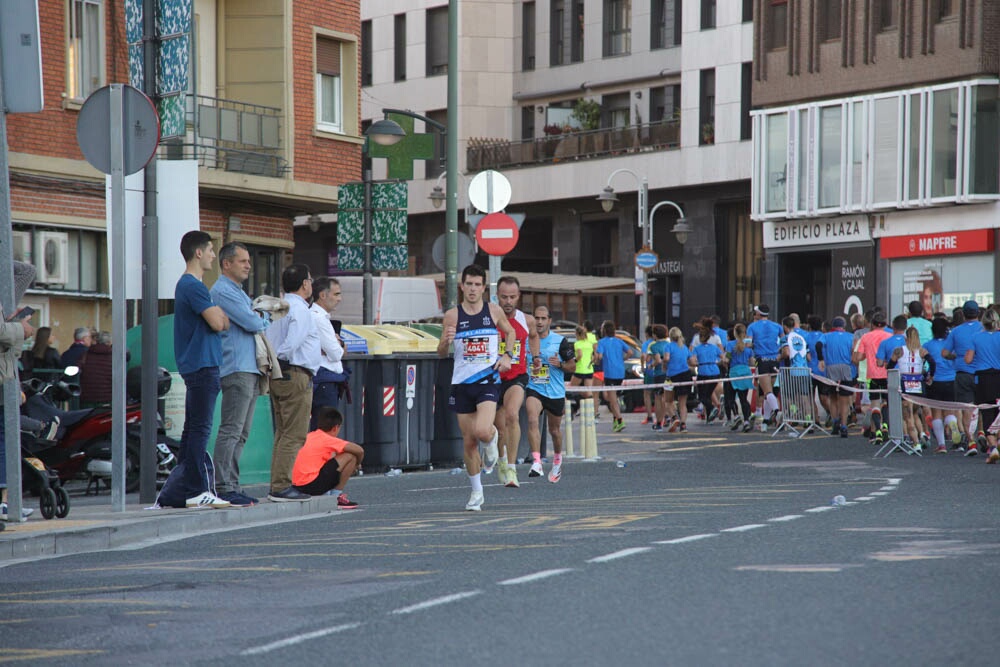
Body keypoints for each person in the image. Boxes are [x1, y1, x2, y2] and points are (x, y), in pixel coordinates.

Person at [437, 264, 514, 511]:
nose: (472, 289)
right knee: (469, 441)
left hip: (488, 380)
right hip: (462, 383)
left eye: (477, 284)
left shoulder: (493, 311)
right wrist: (445, 343)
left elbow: (510, 332)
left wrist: (507, 355)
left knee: (482, 430)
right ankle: (477, 493)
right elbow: (440, 353)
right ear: (462, 286)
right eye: (468, 284)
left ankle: (491, 441)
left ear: (483, 287)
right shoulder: (452, 315)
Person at [172, 231, 231, 509]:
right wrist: (218, 315)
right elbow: (219, 323)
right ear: (198, 253)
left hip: (198, 365)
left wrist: (218, 315)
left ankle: (179, 489)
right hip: (203, 365)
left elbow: (219, 319)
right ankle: (195, 489)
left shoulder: (191, 286)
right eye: (209, 250)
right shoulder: (193, 286)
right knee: (200, 429)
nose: (212, 256)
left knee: (192, 429)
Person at [209, 241, 269, 507]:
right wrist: (260, 316)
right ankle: (223, 485)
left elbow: (256, 318)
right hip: (236, 368)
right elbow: (255, 322)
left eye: (248, 261)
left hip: (249, 368)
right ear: (226, 264)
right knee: (231, 430)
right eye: (242, 261)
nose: (248, 265)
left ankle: (232, 484)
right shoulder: (223, 291)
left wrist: (258, 316)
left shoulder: (238, 292)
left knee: (241, 433)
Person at [266, 264, 320, 502]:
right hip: (295, 372)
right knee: (294, 434)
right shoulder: (301, 310)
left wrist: (275, 360)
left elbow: (269, 337)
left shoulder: (278, 308)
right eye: (310, 280)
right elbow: (293, 341)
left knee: (282, 432)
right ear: (305, 284)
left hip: (277, 374)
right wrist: (283, 357)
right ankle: (281, 486)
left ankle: (278, 483)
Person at [492, 276, 539, 487]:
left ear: (518, 297)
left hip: (516, 377)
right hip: (492, 378)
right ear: (497, 297)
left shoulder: (526, 320)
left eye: (512, 297)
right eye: (504, 297)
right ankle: (501, 460)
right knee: (497, 430)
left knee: (512, 415)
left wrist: (536, 358)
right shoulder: (490, 318)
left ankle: (511, 469)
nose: (508, 301)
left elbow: (534, 335)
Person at [1, 261, 37, 526]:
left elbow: (26, 271)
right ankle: (5, 500)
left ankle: (7, 498)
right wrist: (19, 330)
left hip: (6, 373)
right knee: (4, 436)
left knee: (7, 434)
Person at [524, 306, 576, 484]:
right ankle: (537, 461)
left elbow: (573, 366)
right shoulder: (527, 340)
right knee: (532, 419)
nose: (539, 322)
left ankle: (557, 461)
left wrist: (560, 364)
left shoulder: (560, 341)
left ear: (549, 321)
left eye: (543, 318)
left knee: (554, 431)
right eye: (536, 318)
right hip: (535, 387)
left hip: (554, 392)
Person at [291, 406, 364, 506]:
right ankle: (336, 496)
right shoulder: (328, 439)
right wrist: (357, 464)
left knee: (331, 455)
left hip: (297, 486)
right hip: (311, 485)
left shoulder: (310, 436)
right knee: (351, 456)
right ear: (335, 428)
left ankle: (326, 492)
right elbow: (359, 450)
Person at [943, 300, 984, 449]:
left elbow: (945, 353)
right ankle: (982, 432)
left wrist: (955, 357)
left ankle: (970, 440)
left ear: (963, 314)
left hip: (963, 373)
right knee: (984, 406)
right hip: (983, 373)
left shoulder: (956, 331)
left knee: (967, 407)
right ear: (978, 313)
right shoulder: (984, 329)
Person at [889, 326, 936, 450]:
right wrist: (930, 376)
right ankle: (922, 434)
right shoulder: (922, 351)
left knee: (908, 416)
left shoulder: (899, 351)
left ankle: (916, 443)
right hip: (919, 383)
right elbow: (932, 362)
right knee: (916, 412)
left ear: (906, 337)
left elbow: (889, 365)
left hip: (905, 384)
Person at [309, 277, 346, 429]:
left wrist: (339, 344)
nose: (340, 299)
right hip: (324, 382)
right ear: (323, 295)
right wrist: (339, 345)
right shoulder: (318, 318)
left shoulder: (322, 317)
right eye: (336, 294)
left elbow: (337, 350)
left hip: (326, 381)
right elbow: (337, 354)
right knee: (325, 429)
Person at [964, 307, 1000, 462]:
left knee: (986, 413)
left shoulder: (976, 337)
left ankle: (992, 447)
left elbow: (968, 360)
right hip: (999, 375)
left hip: (983, 378)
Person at [853, 310, 892, 442]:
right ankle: (886, 424)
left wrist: (867, 355)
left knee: (874, 404)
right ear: (885, 324)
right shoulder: (889, 336)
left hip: (872, 375)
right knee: (886, 402)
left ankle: (878, 431)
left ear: (872, 324)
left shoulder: (866, 337)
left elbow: (857, 357)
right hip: (888, 374)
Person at [924, 317, 961, 452]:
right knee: (950, 410)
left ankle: (941, 445)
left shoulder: (927, 345)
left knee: (936, 413)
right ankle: (952, 424)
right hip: (951, 379)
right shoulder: (950, 344)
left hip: (935, 381)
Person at [816, 316, 857, 438]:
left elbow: (818, 345)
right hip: (846, 368)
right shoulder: (850, 336)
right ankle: (844, 426)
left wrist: (821, 359)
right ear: (843, 326)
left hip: (831, 368)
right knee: (844, 400)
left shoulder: (826, 336)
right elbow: (854, 351)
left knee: (833, 397)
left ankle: (835, 423)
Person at [594, 319, 632, 433]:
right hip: (620, 372)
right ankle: (616, 422)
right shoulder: (619, 341)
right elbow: (630, 352)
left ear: (604, 331)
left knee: (612, 399)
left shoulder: (602, 342)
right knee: (612, 397)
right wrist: (622, 359)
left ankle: (620, 420)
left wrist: (595, 359)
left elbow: (600, 357)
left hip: (609, 372)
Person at [747, 304, 783, 424]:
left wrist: (755, 344)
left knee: (767, 391)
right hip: (774, 360)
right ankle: (766, 421)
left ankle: (777, 412)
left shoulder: (752, 327)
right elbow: (783, 342)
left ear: (758, 313)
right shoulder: (777, 326)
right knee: (770, 391)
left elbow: (747, 344)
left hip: (761, 359)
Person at [690, 318, 723, 424]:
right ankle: (710, 416)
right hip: (715, 370)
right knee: (709, 394)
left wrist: (694, 363)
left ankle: (712, 408)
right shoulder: (716, 339)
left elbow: (692, 357)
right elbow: (723, 355)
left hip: (703, 371)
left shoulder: (697, 344)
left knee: (702, 396)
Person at [724, 322, 755, 432]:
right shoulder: (748, 347)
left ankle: (736, 416)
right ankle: (746, 421)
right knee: (743, 399)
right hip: (746, 372)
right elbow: (752, 362)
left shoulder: (730, 345)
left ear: (734, 333)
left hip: (734, 372)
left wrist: (723, 361)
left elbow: (727, 359)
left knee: (730, 398)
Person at [663, 326, 693, 432]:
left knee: (667, 400)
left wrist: (664, 362)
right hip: (685, 375)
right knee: (682, 402)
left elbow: (666, 358)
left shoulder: (668, 346)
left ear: (670, 336)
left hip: (671, 376)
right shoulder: (684, 347)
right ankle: (683, 425)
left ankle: (674, 417)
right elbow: (692, 361)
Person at [79, 331, 113, 406]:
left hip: (86, 399)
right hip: (107, 400)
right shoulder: (114, 357)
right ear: (109, 342)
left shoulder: (85, 355)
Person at [570, 323, 596, 419]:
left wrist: (575, 361)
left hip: (580, 369)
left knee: (572, 388)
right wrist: (590, 362)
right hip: (589, 370)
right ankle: (591, 411)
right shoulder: (589, 344)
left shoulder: (577, 344)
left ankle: (575, 407)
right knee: (588, 391)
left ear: (577, 334)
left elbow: (580, 355)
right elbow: (593, 357)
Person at [639, 325, 656, 425]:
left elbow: (643, 356)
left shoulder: (646, 344)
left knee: (647, 394)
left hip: (649, 371)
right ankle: (665, 416)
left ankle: (650, 416)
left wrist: (642, 366)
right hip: (660, 372)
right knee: (660, 396)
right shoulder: (659, 342)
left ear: (646, 334)